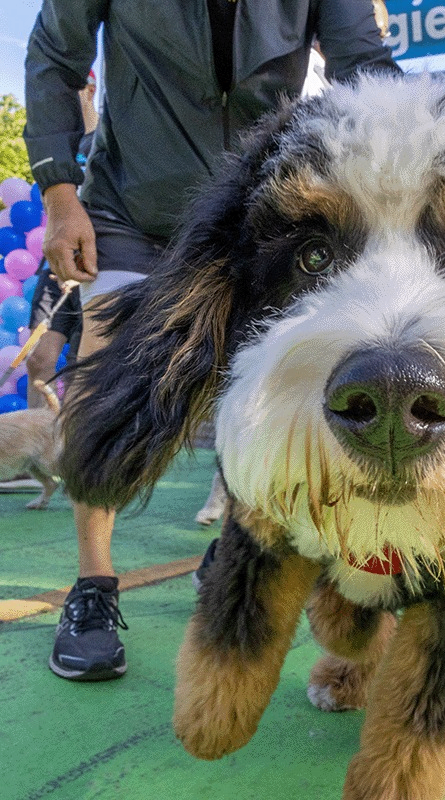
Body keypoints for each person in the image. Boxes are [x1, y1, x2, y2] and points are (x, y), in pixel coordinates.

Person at [24, 0, 400, 682]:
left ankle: (237, 550)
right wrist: (58, 193)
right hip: (129, 206)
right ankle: (92, 588)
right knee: (105, 381)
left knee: (258, 387)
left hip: (252, 209)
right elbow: (54, 55)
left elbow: (367, 71)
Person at [26, 73, 96, 409]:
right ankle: (33, 451)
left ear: (91, 90)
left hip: (99, 264)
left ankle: (72, 451)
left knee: (82, 369)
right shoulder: (60, 142)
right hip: (57, 265)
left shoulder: (113, 135)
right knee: (39, 358)